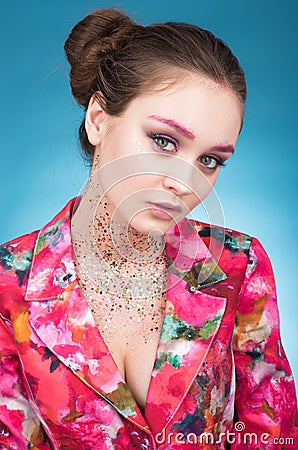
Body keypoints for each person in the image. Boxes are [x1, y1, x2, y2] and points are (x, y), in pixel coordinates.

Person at [0, 7, 296, 450]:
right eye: (163, 141)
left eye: (210, 160)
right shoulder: (9, 284)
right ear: (99, 119)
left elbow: (273, 433)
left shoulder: (239, 265)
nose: (184, 182)